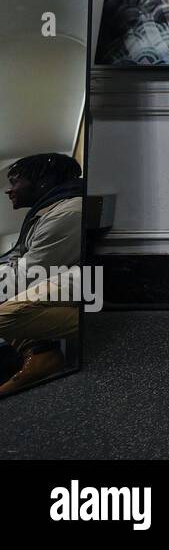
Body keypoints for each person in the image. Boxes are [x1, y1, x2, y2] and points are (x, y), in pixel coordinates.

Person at [0, 154, 84, 395]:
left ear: (44, 181)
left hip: (88, 288)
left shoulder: (67, 212)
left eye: (15, 181)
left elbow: (31, 273)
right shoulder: (46, 212)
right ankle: (39, 354)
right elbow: (18, 261)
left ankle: (102, 328)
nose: (9, 190)